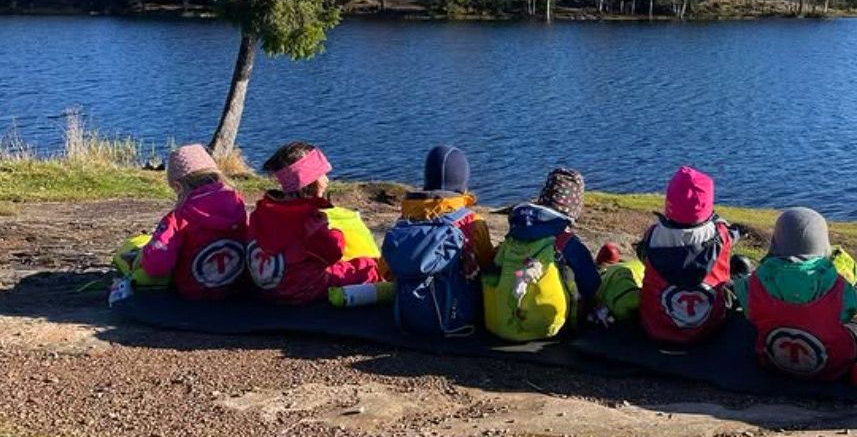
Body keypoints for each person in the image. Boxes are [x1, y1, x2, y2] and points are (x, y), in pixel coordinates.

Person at [733, 207, 857, 380]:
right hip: (834, 363)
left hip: (773, 359)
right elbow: (854, 311)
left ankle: (739, 271)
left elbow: (748, 307)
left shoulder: (755, 283)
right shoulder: (836, 284)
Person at [246, 141, 380, 304]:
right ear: (312, 181)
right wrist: (336, 234)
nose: (327, 180)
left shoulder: (262, 211)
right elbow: (332, 253)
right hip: (302, 289)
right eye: (323, 174)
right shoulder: (309, 219)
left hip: (268, 288)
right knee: (367, 267)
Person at [381, 145, 493, 334]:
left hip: (407, 316)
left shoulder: (405, 221)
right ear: (462, 183)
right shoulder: (472, 223)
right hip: (458, 315)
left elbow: (385, 270)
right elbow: (487, 264)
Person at [115, 144, 248, 300]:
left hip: (194, 292)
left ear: (178, 187)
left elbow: (157, 267)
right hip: (237, 286)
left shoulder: (178, 219)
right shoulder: (239, 205)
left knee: (129, 255)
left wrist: (143, 256)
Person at [483, 167, 600, 341]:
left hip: (501, 322)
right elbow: (592, 284)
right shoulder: (566, 242)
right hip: (546, 327)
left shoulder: (514, 235)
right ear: (574, 210)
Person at [637, 166, 735, 344]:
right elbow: (731, 234)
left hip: (656, 327)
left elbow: (642, 257)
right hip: (710, 328)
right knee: (733, 276)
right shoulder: (722, 236)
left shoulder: (652, 236)